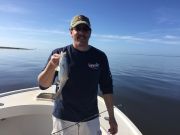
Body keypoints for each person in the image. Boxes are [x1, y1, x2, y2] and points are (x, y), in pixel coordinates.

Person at [38, 15, 118, 135]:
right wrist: (51, 66)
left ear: (90, 33)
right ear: (71, 32)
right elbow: (43, 85)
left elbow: (107, 89)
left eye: (85, 29)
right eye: (77, 28)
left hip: (91, 118)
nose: (81, 32)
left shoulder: (100, 56)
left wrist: (111, 117)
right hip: (62, 118)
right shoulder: (58, 53)